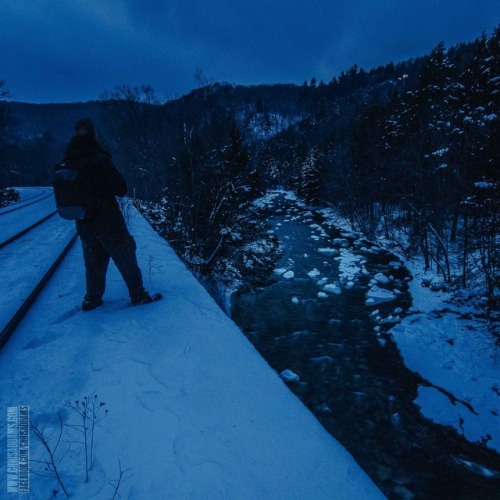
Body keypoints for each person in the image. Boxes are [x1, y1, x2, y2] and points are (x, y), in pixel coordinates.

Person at [63, 118, 162, 311]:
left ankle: (92, 300)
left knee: (93, 262)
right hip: (107, 218)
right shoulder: (99, 159)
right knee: (125, 254)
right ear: (94, 135)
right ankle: (139, 295)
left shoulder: (67, 161)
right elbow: (121, 188)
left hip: (83, 221)